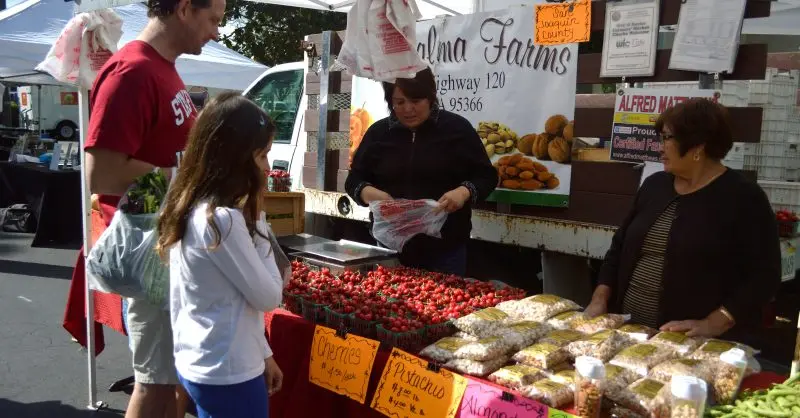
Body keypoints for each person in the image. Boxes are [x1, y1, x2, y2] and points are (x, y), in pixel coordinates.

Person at [83, 0, 224, 416]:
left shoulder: (161, 68)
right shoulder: (133, 71)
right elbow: (102, 173)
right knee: (155, 385)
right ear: (184, 8)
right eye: (213, 19)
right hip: (153, 255)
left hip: (170, 252)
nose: (216, 33)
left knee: (172, 381)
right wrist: (186, 173)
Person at [585, 98, 781, 341]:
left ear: (697, 146)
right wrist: (599, 299)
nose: (660, 147)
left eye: (667, 138)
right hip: (628, 336)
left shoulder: (743, 198)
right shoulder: (654, 186)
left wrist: (715, 322)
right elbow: (619, 248)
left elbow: (765, 276)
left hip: (690, 346)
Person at [156, 93, 284, 418]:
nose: (268, 168)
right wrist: (259, 219)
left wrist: (263, 352)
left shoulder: (189, 206)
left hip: (204, 360)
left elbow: (229, 300)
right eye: (263, 156)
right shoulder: (222, 220)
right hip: (228, 373)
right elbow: (269, 296)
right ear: (239, 158)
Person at [344, 68, 498, 276]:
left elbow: (486, 176)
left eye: (416, 101)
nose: (408, 109)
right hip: (390, 248)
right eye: (399, 102)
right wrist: (367, 192)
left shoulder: (456, 129)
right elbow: (354, 179)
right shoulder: (379, 134)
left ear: (430, 97)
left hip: (446, 248)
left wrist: (463, 192)